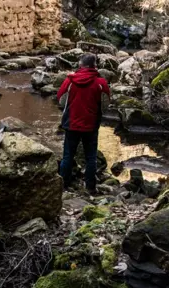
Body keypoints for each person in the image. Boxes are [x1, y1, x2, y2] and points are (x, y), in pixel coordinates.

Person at [57, 53, 111, 194]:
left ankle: (63, 186)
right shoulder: (101, 83)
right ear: (94, 65)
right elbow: (105, 106)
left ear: (80, 65)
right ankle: (90, 187)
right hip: (91, 125)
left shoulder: (70, 80)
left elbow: (61, 100)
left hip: (71, 124)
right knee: (90, 157)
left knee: (68, 156)